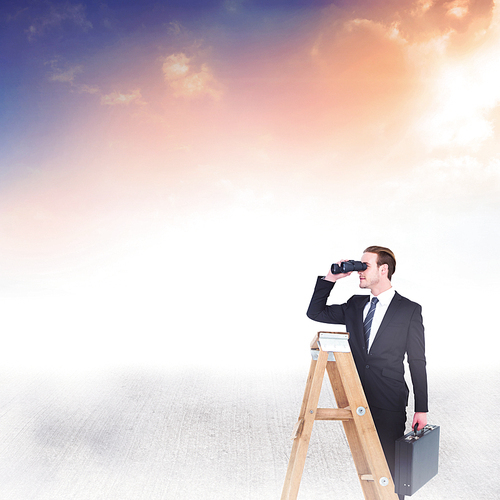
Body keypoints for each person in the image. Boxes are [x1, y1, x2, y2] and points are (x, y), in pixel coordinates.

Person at [306, 246, 428, 499]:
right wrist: (331, 278)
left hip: (389, 399)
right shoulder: (355, 304)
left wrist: (421, 408)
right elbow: (315, 312)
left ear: (383, 270)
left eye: (365, 266)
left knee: (390, 469)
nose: (360, 271)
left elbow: (417, 360)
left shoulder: (409, 310)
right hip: (356, 395)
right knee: (367, 467)